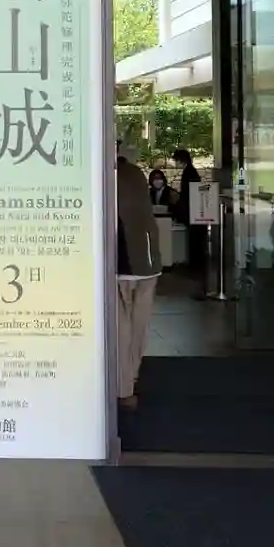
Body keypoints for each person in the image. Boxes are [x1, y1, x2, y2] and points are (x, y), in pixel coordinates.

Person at [115, 142, 162, 410]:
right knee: (138, 326)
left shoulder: (103, 175)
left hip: (120, 263)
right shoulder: (136, 174)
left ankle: (124, 387)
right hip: (147, 261)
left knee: (120, 327)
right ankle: (131, 376)